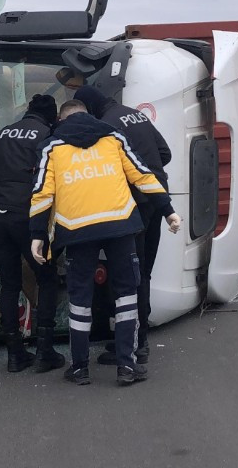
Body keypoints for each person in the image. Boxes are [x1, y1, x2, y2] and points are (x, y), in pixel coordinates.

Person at [29, 100, 181, 386]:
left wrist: (38, 235)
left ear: (60, 120)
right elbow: (143, 175)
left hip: (77, 230)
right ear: (88, 115)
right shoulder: (113, 137)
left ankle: (79, 367)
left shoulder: (52, 147)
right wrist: (167, 210)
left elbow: (42, 194)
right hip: (121, 225)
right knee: (126, 295)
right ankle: (126, 366)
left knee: (80, 300)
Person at [73, 85, 171, 364]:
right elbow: (165, 153)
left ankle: (134, 346)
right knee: (145, 273)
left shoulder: (105, 125)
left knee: (132, 274)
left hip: (136, 205)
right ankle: (142, 339)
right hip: (158, 197)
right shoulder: (133, 114)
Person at [0, 94, 66, 373]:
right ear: (52, 117)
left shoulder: (1, 134)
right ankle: (45, 350)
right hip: (27, 216)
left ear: (28, 111)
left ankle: (15, 354)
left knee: (9, 284)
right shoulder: (47, 135)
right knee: (47, 277)